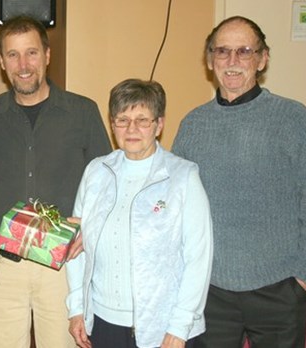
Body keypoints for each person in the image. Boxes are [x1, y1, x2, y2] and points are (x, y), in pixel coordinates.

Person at [172, 16, 306, 348]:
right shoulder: (192, 125)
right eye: (222, 51)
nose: (232, 62)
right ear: (209, 59)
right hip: (210, 294)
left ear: (262, 59)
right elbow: (176, 206)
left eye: (244, 51)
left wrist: (304, 278)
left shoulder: (293, 118)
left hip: (280, 291)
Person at [0, 16, 112, 348]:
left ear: (47, 55)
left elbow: (108, 185)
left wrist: (90, 230)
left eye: (31, 53)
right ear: (2, 62)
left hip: (64, 265)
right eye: (13, 55)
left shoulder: (82, 112)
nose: (23, 65)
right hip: (1, 264)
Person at [66, 78, 213, 348]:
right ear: (112, 125)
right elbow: (77, 248)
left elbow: (198, 258)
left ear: (159, 124)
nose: (131, 128)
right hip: (104, 322)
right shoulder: (96, 172)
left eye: (143, 120)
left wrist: (179, 328)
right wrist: (77, 309)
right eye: (122, 119)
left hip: (164, 326)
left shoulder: (183, 177)